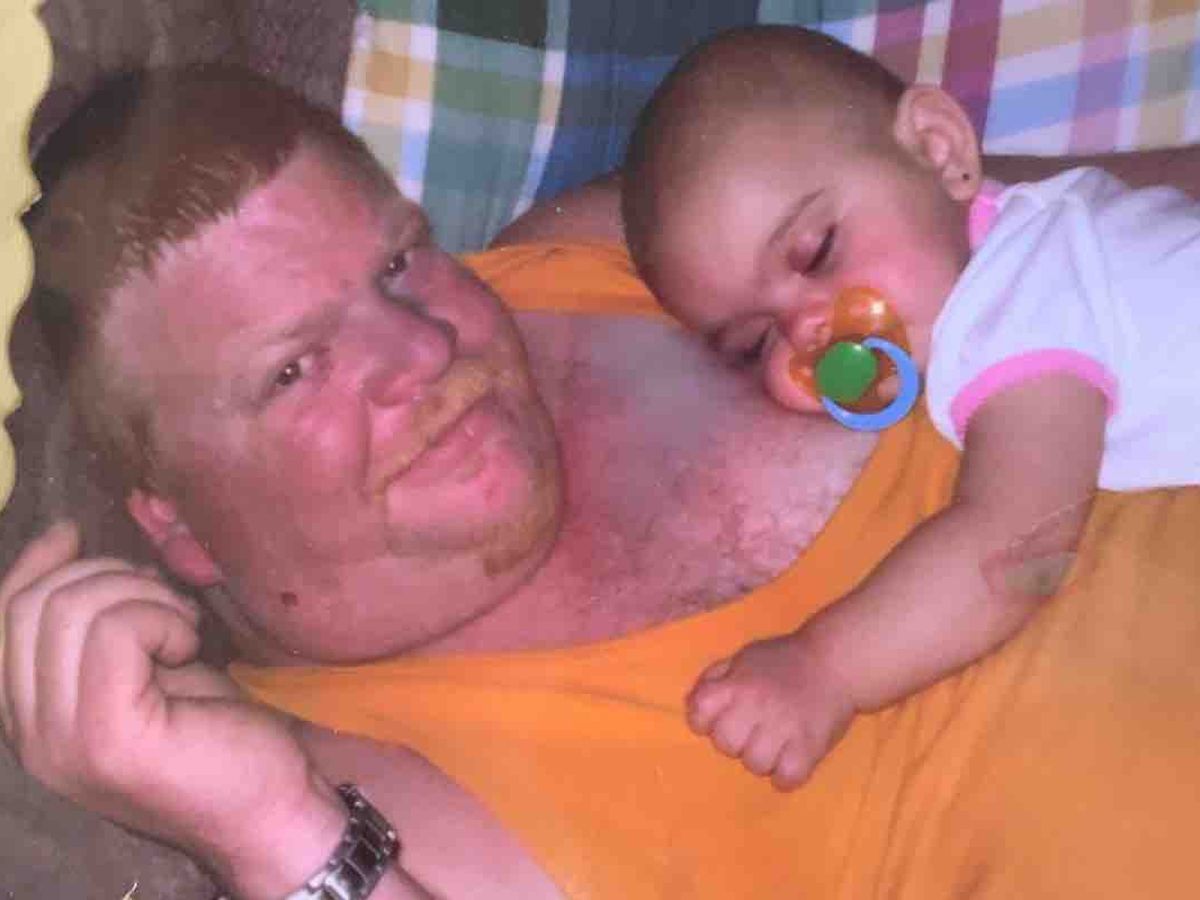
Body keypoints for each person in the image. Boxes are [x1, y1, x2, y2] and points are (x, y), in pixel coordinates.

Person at [4, 64, 1200, 900]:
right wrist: (271, 837)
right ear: (175, 523)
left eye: (401, 261)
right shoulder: (354, 778)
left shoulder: (605, 243)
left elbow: (1049, 214)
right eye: (293, 370)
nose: (423, 351)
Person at [617, 25, 1200, 789]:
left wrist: (826, 668)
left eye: (817, 251)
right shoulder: (1044, 226)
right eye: (756, 343)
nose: (808, 329)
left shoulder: (1019, 300)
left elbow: (1017, 546)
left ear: (938, 147)